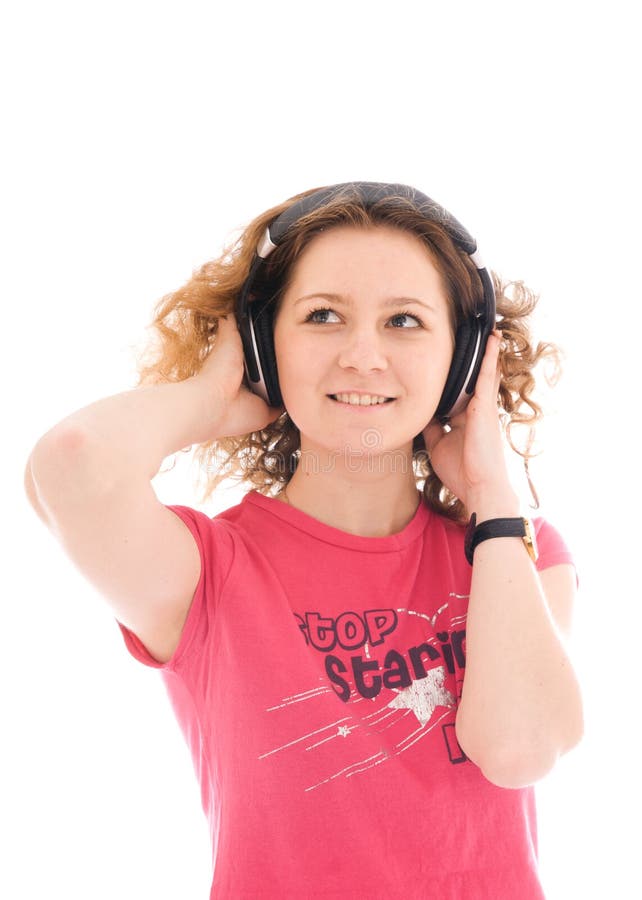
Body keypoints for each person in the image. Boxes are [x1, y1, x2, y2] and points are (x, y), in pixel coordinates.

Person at [25, 182, 584, 898]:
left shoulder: (518, 551)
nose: (362, 355)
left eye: (405, 322)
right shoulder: (207, 572)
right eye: (322, 316)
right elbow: (72, 463)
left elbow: (520, 748)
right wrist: (207, 401)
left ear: (464, 357)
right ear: (264, 345)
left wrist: (491, 501)